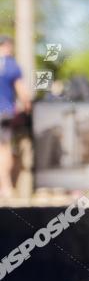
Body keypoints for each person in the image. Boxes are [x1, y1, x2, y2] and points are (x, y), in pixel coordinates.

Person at [0, 36, 31, 199]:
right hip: (5, 112)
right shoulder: (10, 64)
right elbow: (23, 93)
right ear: (6, 46)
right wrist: (28, 109)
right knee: (4, 150)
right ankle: (6, 187)